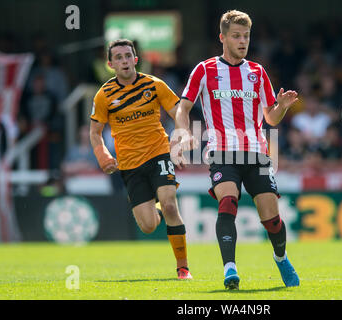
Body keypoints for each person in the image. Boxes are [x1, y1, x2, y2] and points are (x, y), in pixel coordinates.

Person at [171, 10, 299, 289]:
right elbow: (183, 107)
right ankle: (230, 269)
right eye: (236, 36)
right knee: (227, 203)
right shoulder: (204, 70)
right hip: (221, 152)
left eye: (246, 36)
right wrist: (182, 132)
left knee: (272, 218)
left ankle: (281, 258)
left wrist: (283, 107)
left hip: (256, 152)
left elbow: (270, 118)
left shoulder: (257, 72)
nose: (243, 41)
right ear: (223, 37)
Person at [89, 39, 192, 279]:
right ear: (110, 64)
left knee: (169, 205)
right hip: (129, 164)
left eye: (128, 56)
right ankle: (155, 204)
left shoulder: (154, 85)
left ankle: (183, 268)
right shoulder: (103, 95)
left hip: (158, 153)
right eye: (119, 57)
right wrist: (103, 155)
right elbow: (94, 133)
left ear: (136, 59)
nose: (124, 61)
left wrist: (181, 134)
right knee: (148, 226)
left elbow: (177, 110)